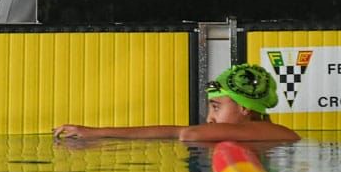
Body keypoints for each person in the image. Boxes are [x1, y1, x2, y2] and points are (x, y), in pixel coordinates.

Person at [53, 63, 300, 142]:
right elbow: (175, 130)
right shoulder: (261, 134)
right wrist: (95, 133)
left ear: (244, 108)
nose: (210, 118)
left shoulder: (273, 133)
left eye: (216, 108)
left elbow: (189, 134)